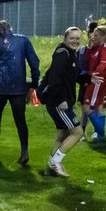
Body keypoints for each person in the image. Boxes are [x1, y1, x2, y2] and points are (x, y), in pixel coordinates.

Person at [0, 19, 40, 165]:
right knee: (20, 120)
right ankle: (24, 151)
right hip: (18, 87)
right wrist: (35, 81)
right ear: (11, 28)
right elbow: (34, 62)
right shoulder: (23, 40)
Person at [37, 26, 84, 178]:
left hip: (60, 100)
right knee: (78, 132)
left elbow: (72, 77)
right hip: (59, 102)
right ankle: (56, 162)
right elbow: (55, 80)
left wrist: (90, 78)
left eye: (78, 38)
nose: (75, 41)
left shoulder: (70, 54)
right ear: (65, 39)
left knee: (63, 135)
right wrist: (61, 99)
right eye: (72, 38)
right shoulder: (62, 54)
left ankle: (50, 168)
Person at [80, 24, 106, 142]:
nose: (93, 37)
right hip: (96, 80)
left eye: (96, 35)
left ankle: (101, 132)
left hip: (98, 80)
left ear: (104, 36)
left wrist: (94, 74)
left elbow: (104, 63)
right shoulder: (98, 47)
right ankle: (99, 135)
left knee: (87, 107)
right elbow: (89, 60)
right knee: (97, 106)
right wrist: (90, 49)